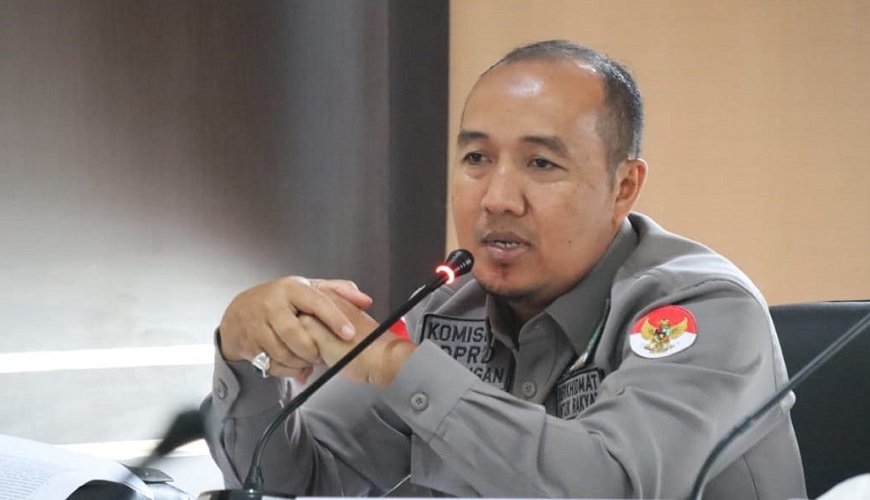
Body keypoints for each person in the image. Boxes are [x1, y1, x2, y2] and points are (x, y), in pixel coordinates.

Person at [202, 40, 806, 499]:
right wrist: (246, 356)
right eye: (476, 158)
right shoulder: (448, 310)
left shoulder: (705, 310)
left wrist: (396, 367)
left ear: (623, 187)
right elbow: (297, 480)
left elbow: (611, 484)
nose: (497, 198)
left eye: (541, 164)